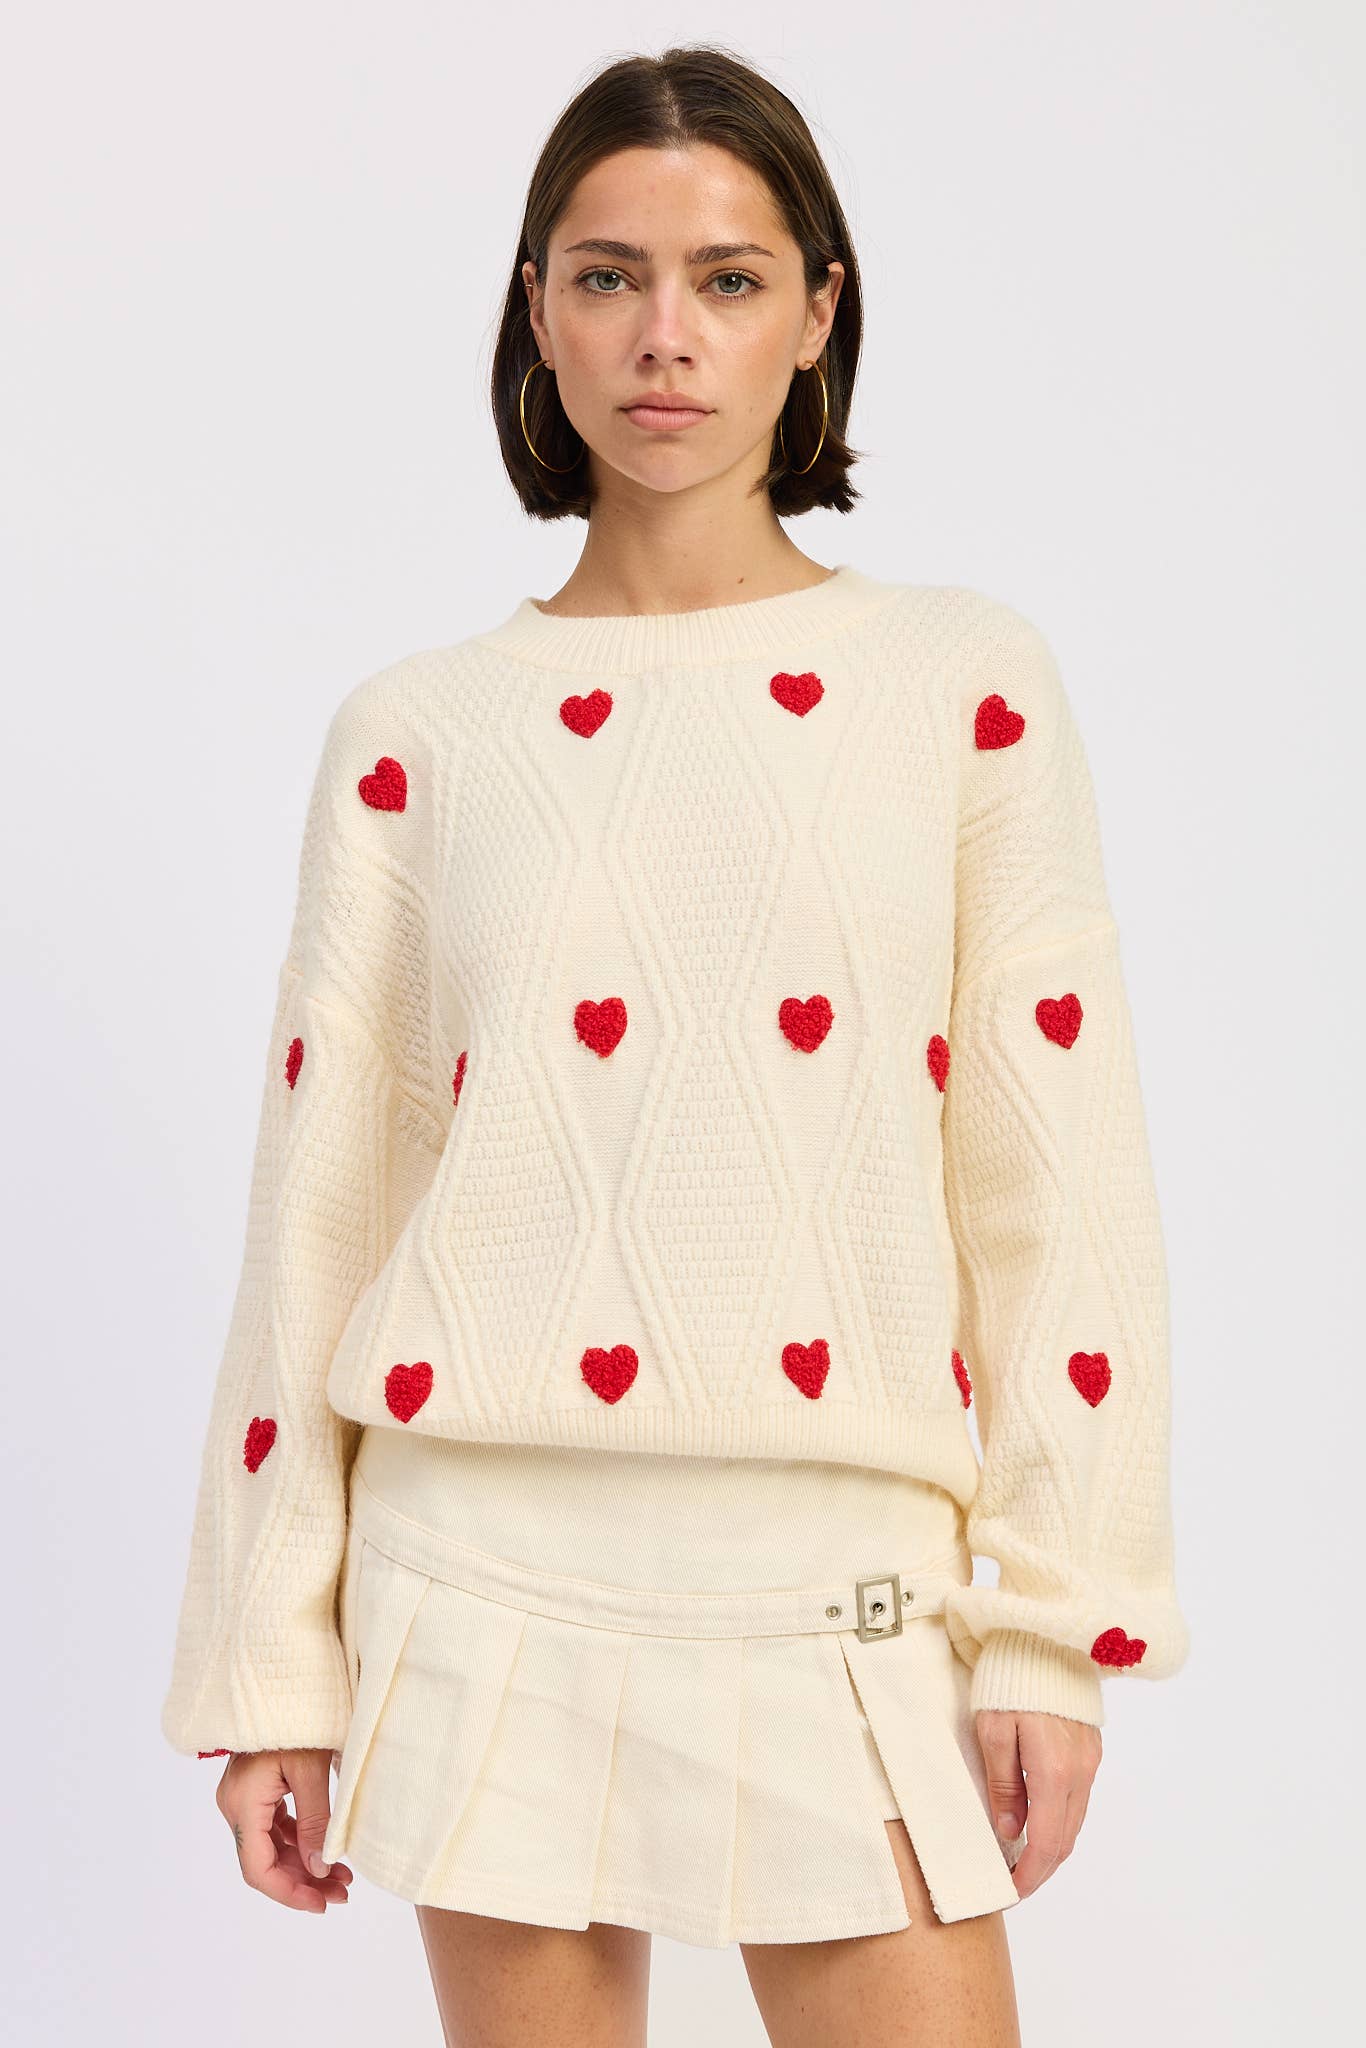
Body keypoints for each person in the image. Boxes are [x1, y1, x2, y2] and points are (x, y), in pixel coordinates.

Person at [161, 41, 1189, 2048]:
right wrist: (269, 1664)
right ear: (535, 312)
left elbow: (1056, 1179)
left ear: (816, 314)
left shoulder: (958, 683)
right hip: (479, 1569)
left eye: (727, 278)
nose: (663, 336)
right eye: (606, 275)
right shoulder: (417, 734)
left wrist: (1049, 1630)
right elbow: (319, 1215)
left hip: (845, 1571)